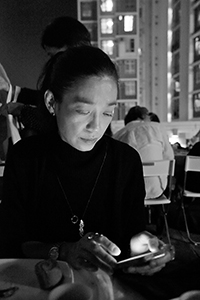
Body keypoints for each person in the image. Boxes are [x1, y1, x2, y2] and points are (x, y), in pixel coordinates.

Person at [0, 46, 175, 295]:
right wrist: (65, 250)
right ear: (52, 102)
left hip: (107, 289)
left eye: (107, 112)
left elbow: (133, 233)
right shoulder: (26, 158)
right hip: (42, 287)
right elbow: (13, 244)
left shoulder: (125, 161)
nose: (96, 126)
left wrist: (145, 247)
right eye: (83, 111)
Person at [0, 16, 92, 140]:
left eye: (53, 55)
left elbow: (58, 123)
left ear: (70, 48)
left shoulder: (83, 80)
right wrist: (11, 90)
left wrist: (22, 111)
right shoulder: (90, 73)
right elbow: (49, 100)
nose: (52, 62)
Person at [113, 106, 174, 199]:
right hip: (158, 188)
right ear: (141, 116)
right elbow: (169, 157)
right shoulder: (158, 128)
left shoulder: (119, 135)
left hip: (129, 191)